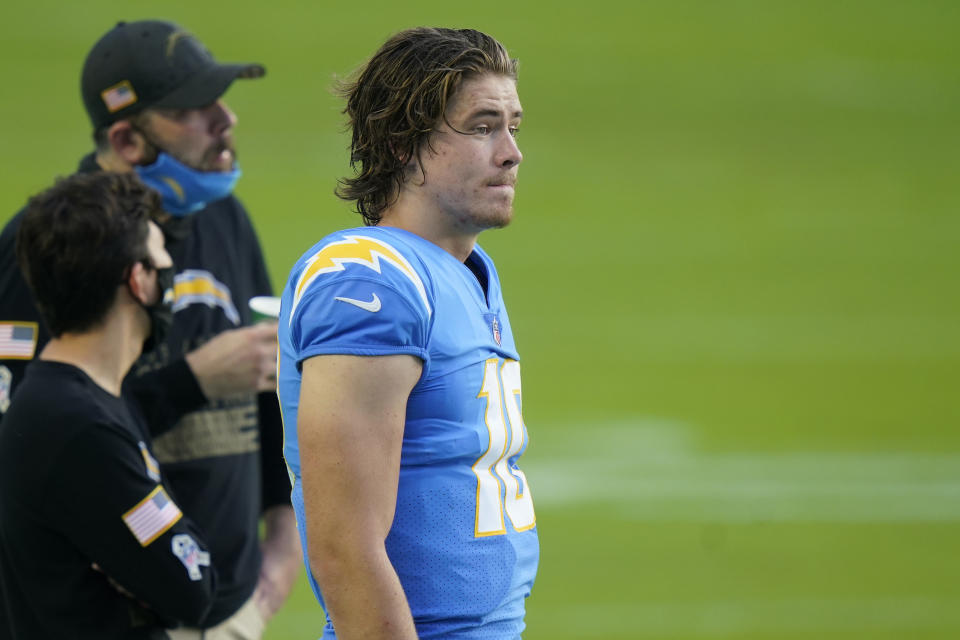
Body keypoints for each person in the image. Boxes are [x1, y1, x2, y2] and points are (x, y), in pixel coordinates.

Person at [0, 20, 300, 639]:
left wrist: (283, 545)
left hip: (234, 608)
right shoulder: (44, 249)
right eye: (193, 109)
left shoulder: (225, 216)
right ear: (125, 138)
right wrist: (191, 382)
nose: (226, 120)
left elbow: (266, 374)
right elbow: (32, 438)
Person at [277, 27, 539, 639]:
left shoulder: (469, 271)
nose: (510, 152)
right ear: (403, 144)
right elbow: (345, 550)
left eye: (513, 126)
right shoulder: (371, 282)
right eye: (481, 127)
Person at [0, 172, 216, 639]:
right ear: (138, 280)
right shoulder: (80, 427)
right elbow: (193, 583)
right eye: (163, 263)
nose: (170, 278)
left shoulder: (79, 398)